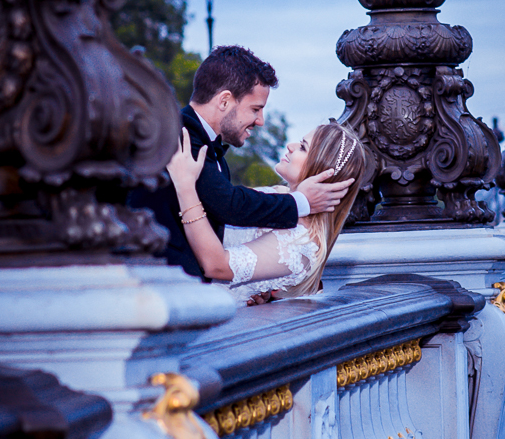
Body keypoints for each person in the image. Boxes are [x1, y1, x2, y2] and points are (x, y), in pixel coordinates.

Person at [130, 45, 354, 280]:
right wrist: (301, 202)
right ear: (225, 101)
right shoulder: (180, 136)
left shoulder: (207, 147)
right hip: (155, 282)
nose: (260, 121)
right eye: (255, 109)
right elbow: (229, 205)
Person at [166, 120, 366, 300]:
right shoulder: (276, 195)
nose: (290, 146)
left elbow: (216, 266)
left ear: (321, 171)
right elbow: (227, 205)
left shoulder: (300, 243)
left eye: (302, 147)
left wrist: (185, 186)